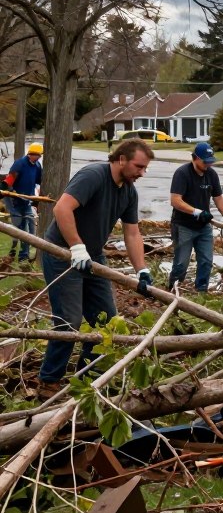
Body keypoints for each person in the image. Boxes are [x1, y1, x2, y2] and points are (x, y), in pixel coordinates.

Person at [36, 138, 155, 400]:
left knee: (106, 322)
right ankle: (49, 382)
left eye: (145, 168)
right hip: (62, 252)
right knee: (69, 321)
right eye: (139, 166)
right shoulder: (93, 175)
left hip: (94, 257)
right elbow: (62, 208)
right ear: (121, 159)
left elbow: (132, 233)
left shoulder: (128, 192)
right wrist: (76, 247)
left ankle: (88, 378)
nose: (142, 173)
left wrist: (141, 270)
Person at [168, 142, 223, 292]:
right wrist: (196, 212)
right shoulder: (182, 173)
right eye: (205, 161)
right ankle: (172, 290)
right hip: (183, 226)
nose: (208, 165)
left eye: (210, 161)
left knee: (206, 261)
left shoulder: (211, 174)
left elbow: (218, 197)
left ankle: (201, 292)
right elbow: (175, 200)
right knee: (181, 263)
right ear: (195, 158)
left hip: (203, 227)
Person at [2, 143, 43, 262]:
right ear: (31, 154)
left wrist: (37, 199)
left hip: (28, 201)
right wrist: (10, 193)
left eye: (39, 155)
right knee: (21, 229)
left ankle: (22, 255)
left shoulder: (37, 166)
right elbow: (8, 181)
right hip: (16, 202)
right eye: (37, 155)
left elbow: (39, 181)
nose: (38, 157)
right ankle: (19, 255)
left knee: (30, 229)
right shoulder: (19, 164)